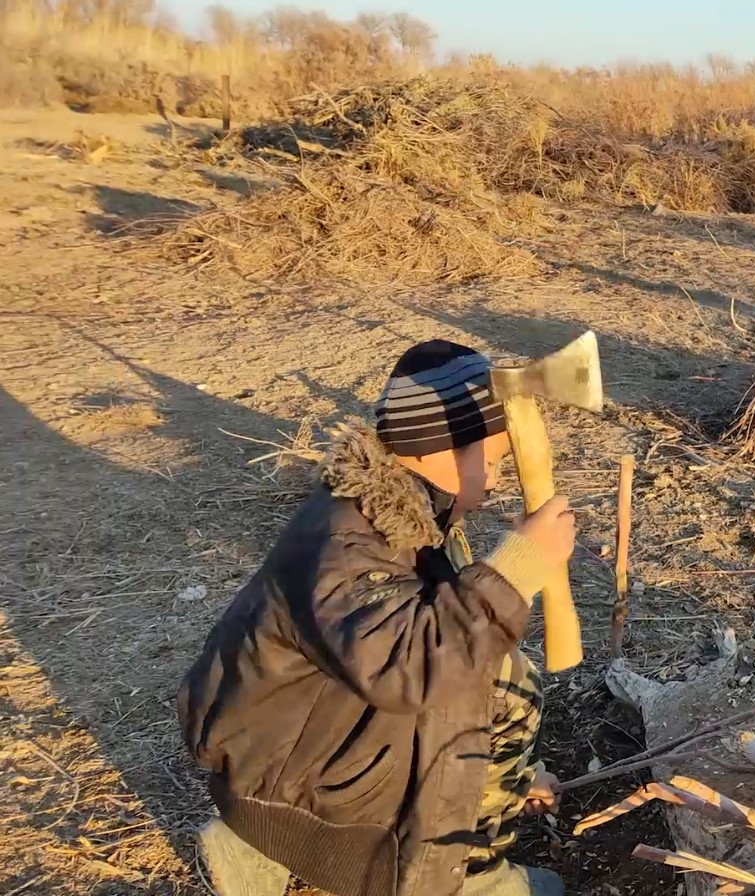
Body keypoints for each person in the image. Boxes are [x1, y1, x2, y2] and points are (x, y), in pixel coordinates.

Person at [178, 340, 575, 896]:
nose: (498, 478)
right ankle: (469, 878)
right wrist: (516, 567)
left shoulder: (399, 511)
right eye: (496, 458)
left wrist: (508, 770)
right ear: (445, 448)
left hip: (291, 756)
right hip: (286, 781)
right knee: (496, 686)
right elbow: (415, 666)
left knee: (487, 666)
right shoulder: (352, 540)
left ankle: (254, 847)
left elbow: (436, 634)